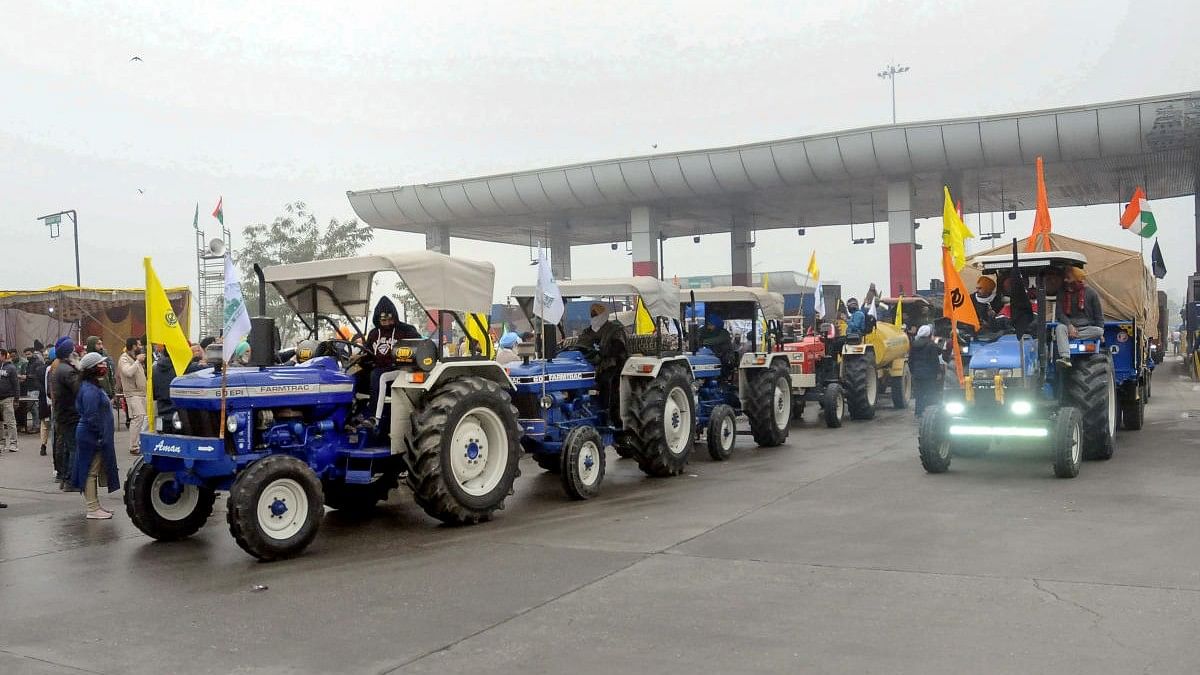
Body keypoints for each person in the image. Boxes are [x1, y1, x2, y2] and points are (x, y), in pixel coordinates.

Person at [71, 352, 121, 519]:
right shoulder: (90, 390)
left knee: (93, 470)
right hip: (91, 435)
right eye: (101, 364)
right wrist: (100, 435)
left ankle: (96, 506)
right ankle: (92, 509)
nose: (104, 366)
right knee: (90, 472)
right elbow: (92, 415)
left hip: (92, 434)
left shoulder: (90, 386)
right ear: (92, 369)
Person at [364, 297, 420, 419]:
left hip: (399, 368)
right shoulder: (373, 334)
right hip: (378, 367)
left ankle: (374, 418)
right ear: (378, 319)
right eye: (384, 320)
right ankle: (353, 413)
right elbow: (367, 352)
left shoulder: (405, 331)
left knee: (378, 376)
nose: (387, 323)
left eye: (390, 319)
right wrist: (359, 358)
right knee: (354, 378)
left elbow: (419, 346)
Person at [576, 303, 628, 423]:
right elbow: (581, 345)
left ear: (604, 315)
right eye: (592, 314)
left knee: (606, 379)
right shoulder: (587, 331)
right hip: (589, 363)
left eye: (596, 314)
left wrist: (602, 354)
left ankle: (609, 415)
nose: (594, 316)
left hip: (612, 364)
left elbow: (618, 348)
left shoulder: (615, 330)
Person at [1045, 266, 1104, 369]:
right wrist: (1069, 326)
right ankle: (1065, 358)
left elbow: (1098, 316)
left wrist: (1101, 334)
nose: (1065, 280)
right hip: (1068, 327)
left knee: (1099, 331)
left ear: (1077, 278)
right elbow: (1059, 313)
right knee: (1059, 328)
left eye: (1068, 277)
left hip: (1086, 329)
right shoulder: (1062, 293)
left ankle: (1073, 336)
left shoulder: (1091, 293)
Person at [51, 337, 82, 489]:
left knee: (68, 447)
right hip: (70, 415)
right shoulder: (68, 371)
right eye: (73, 350)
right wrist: (80, 370)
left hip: (64, 414)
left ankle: (65, 478)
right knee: (74, 448)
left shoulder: (61, 368)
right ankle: (71, 481)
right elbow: (79, 389)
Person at [117, 338, 147, 456]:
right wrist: (137, 362)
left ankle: (139, 443)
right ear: (133, 346)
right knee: (137, 418)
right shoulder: (124, 358)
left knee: (142, 419)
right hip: (133, 394)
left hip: (141, 393)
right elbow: (128, 372)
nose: (140, 346)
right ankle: (133, 446)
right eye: (138, 344)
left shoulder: (134, 357)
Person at [909, 325, 945, 417]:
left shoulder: (914, 344)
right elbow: (935, 358)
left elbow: (911, 360)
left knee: (919, 393)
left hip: (917, 373)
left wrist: (913, 371)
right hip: (929, 374)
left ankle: (918, 412)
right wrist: (938, 372)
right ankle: (930, 413)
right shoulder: (931, 344)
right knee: (930, 392)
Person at [24, 347, 47, 454]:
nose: (27, 356)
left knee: (34, 408)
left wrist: (26, 376)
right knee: (32, 408)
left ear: (33, 353)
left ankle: (36, 426)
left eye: (28, 354)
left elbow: (36, 375)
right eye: (26, 354)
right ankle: (35, 425)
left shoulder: (37, 363)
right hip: (30, 387)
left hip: (35, 388)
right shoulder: (30, 363)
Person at [0, 350, 19, 453]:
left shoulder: (11, 368)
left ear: (3, 356)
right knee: (0, 423)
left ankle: (13, 443)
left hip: (7, 398)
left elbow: (16, 384)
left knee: (10, 422)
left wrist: (16, 398)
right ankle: (1, 443)